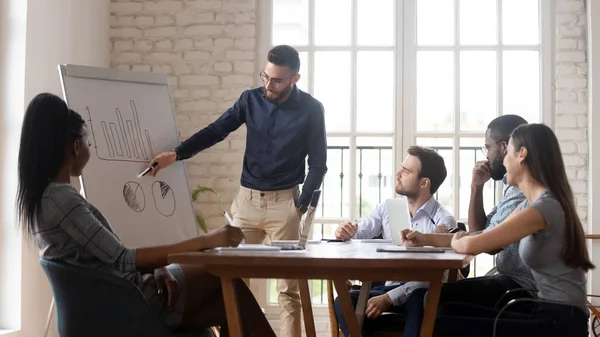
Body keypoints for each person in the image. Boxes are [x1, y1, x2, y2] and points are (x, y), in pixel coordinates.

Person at [16, 93, 276, 337]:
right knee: (221, 275)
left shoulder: (48, 198)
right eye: (88, 142)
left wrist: (159, 267)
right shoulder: (62, 200)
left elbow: (108, 258)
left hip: (118, 299)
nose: (88, 148)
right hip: (130, 303)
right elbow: (122, 258)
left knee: (227, 303)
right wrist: (207, 241)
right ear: (75, 147)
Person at [148, 45, 327, 336]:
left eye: (278, 80)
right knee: (227, 281)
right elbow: (216, 130)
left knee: (288, 292)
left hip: (285, 205)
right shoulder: (250, 100)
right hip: (246, 203)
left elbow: (318, 165)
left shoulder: (311, 109)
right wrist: (177, 154)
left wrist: (300, 206)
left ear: (295, 78)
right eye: (265, 77)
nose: (269, 85)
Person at [434, 123, 592, 336]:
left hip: (559, 324)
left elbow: (472, 244)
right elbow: (488, 236)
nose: (503, 161)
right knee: (446, 310)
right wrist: (423, 239)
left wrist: (458, 240)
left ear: (522, 154)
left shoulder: (543, 207)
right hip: (549, 314)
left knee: (444, 321)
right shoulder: (531, 204)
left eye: (507, 152)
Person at [399, 115, 536, 337]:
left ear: (506, 149)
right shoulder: (517, 192)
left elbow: (486, 243)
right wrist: (476, 188)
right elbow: (481, 232)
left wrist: (449, 238)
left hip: (521, 289)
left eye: (487, 147)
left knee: (435, 301)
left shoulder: (528, 196)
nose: (488, 157)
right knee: (435, 301)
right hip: (510, 281)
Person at [333, 146, 456, 337]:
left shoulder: (443, 221)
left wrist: (390, 298)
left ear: (424, 183)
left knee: (418, 301)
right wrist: (344, 232)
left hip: (420, 291)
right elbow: (358, 234)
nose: (398, 174)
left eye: (406, 171)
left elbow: (436, 275)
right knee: (343, 301)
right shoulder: (386, 209)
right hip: (387, 288)